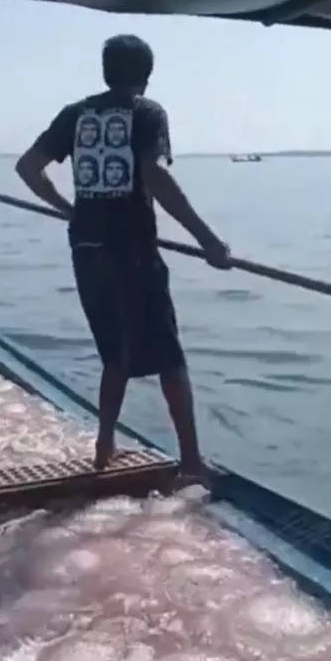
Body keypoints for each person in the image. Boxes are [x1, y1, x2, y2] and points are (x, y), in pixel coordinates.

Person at [15, 34, 232, 480]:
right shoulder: (147, 113)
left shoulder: (75, 114)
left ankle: (104, 444)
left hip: (86, 248)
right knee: (170, 356)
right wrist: (209, 240)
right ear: (147, 77)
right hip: (131, 250)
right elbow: (154, 175)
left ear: (105, 70)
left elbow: (27, 167)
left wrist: (70, 210)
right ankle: (191, 461)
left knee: (116, 353)